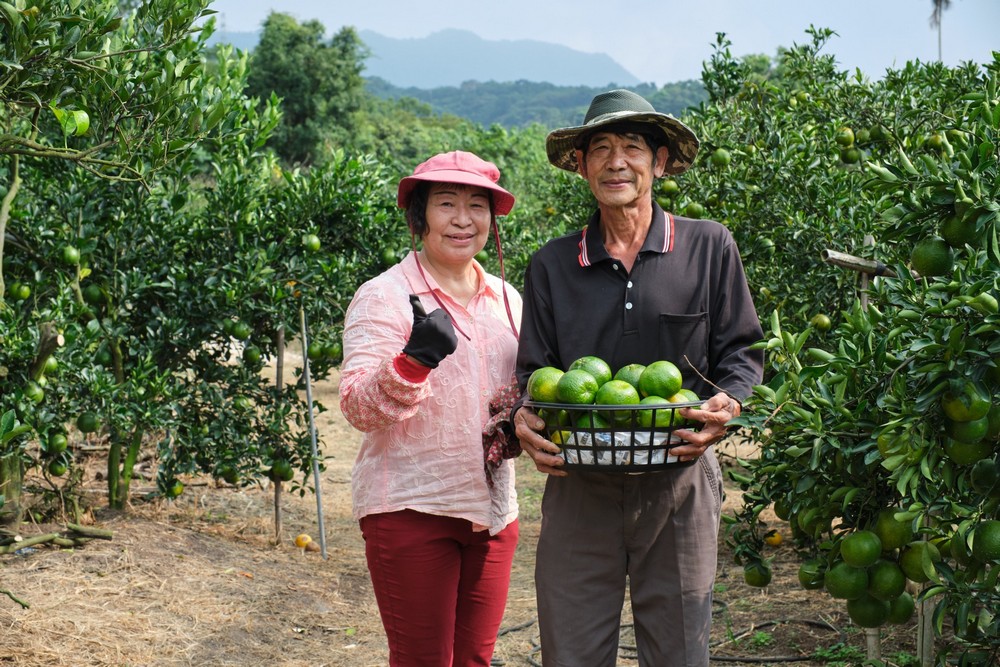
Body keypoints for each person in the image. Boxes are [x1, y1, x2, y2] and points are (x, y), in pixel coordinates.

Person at [512, 89, 765, 666]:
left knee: (679, 650)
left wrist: (728, 405)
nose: (615, 161)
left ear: (661, 162)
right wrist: (523, 416)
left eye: (631, 147)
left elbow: (741, 354)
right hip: (581, 480)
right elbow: (533, 374)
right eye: (599, 147)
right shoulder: (553, 264)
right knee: (570, 649)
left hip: (679, 475)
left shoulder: (708, 247)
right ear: (580, 165)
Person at [339, 150, 522, 666]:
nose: (463, 219)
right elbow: (356, 407)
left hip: (492, 513)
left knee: (473, 661)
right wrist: (414, 361)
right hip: (411, 507)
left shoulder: (508, 300)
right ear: (420, 216)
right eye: (447, 204)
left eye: (477, 205)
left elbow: (521, 394)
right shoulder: (385, 297)